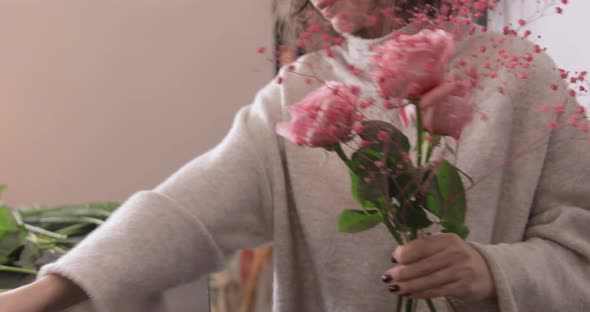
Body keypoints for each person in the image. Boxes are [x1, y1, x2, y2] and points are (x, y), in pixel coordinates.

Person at [2, 0, 589, 311]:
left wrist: (492, 273)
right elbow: (185, 213)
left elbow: (581, 254)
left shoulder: (521, 77)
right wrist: (48, 291)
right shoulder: (300, 91)